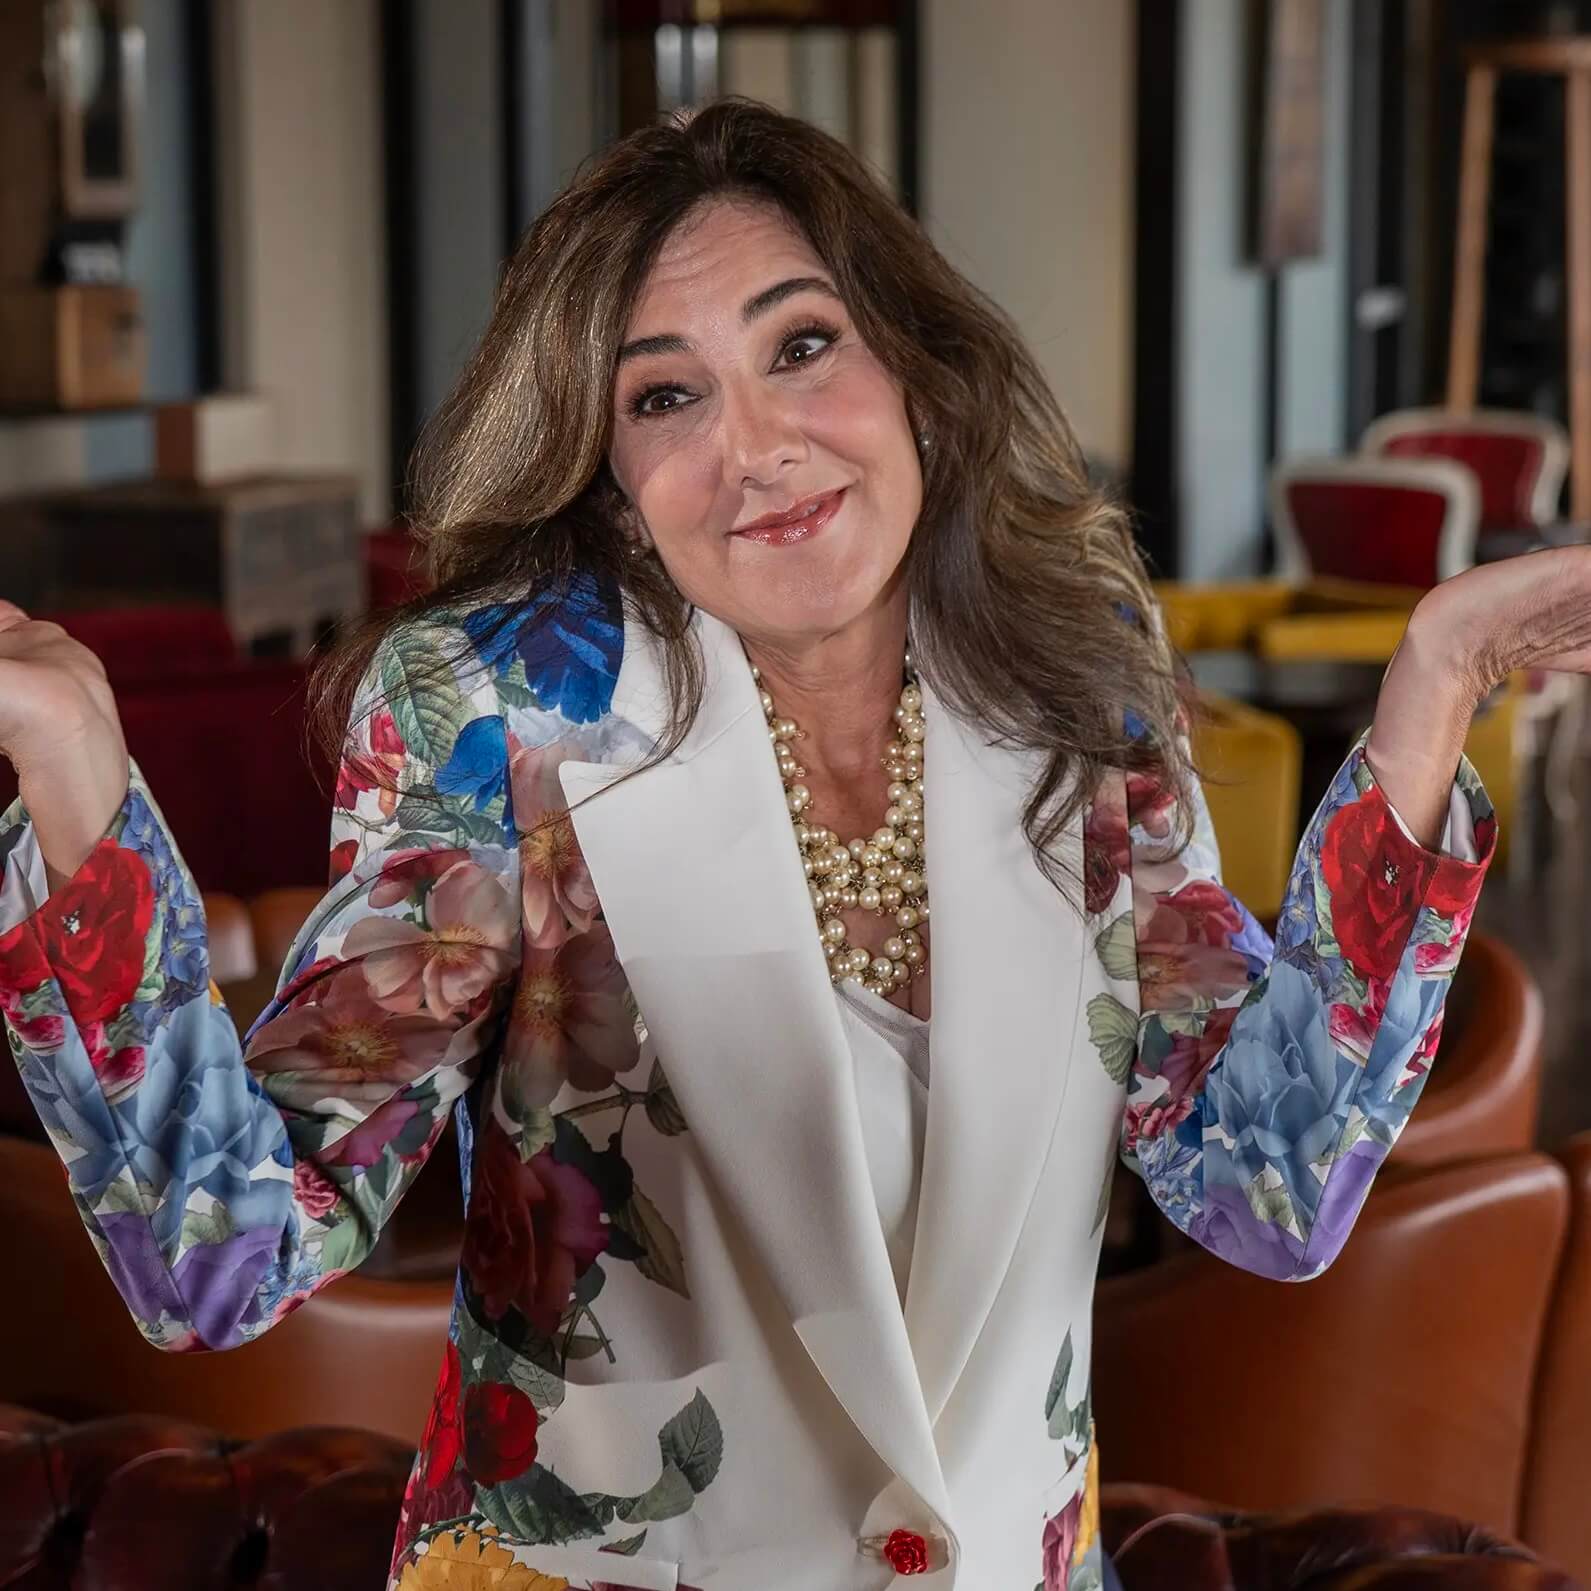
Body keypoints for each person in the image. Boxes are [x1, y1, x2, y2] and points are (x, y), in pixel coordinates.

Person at [0, 98, 1584, 1591]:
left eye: (802, 345)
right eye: (666, 395)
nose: (756, 445)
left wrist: (1432, 688)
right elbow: (219, 1253)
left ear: (912, 367)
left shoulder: (1079, 680)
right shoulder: (499, 714)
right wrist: (74, 761)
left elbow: (1272, 1183)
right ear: (614, 484)